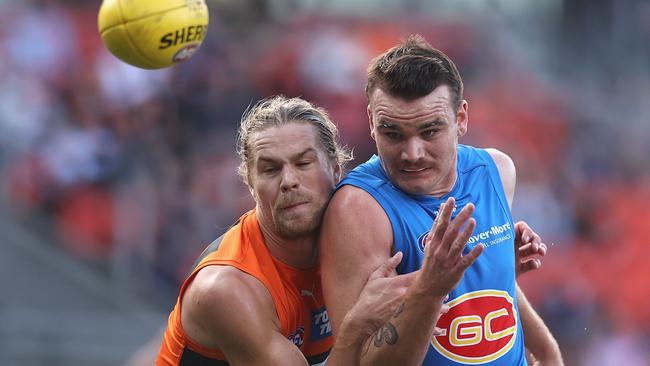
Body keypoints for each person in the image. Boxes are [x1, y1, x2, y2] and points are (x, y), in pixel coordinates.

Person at [155, 96, 478, 365]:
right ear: (250, 184)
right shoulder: (227, 289)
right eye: (270, 169)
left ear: (336, 170)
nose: (289, 181)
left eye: (303, 163)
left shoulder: (362, 239)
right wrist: (356, 325)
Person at [319, 34, 563, 365]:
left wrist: (547, 349)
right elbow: (360, 360)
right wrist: (428, 291)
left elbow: (493, 289)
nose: (412, 153)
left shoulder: (497, 171)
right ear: (372, 124)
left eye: (430, 131)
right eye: (393, 133)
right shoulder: (359, 209)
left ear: (461, 118)